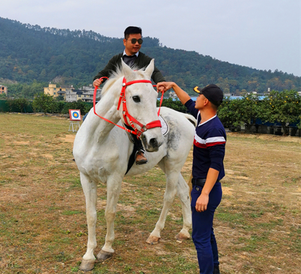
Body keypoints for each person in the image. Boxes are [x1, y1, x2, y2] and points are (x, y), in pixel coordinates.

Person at [157, 82, 226, 274]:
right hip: (201, 188)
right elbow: (187, 101)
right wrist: (173, 86)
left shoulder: (214, 130)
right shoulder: (202, 117)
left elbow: (216, 164)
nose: (196, 99)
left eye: (200, 96)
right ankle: (214, 270)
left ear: (205, 101)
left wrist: (204, 194)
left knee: (200, 237)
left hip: (206, 190)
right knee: (207, 233)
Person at [93, 26, 166, 165]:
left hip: (132, 103)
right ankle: (88, 147)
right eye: (133, 41)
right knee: (91, 117)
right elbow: (105, 72)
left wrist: (161, 82)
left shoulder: (145, 59)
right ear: (124, 41)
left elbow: (155, 73)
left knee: (135, 123)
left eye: (140, 41)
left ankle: (139, 151)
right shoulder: (117, 59)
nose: (137, 43)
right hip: (116, 101)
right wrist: (98, 79)